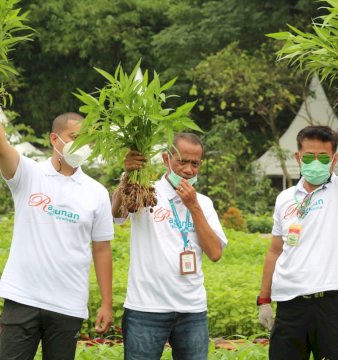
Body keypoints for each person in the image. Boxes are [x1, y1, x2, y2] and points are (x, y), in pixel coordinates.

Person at [256, 75, 338, 360]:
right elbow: (275, 250)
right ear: (298, 158)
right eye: (309, 157)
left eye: (323, 157)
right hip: (289, 305)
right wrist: (264, 298)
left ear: (334, 160)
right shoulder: (285, 198)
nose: (316, 162)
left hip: (332, 303)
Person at [0, 112, 114, 359]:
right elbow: (1, 146)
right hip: (23, 298)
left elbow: (102, 248)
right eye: (75, 137)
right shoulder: (28, 173)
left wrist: (106, 302)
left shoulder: (96, 192)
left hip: (68, 304)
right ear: (54, 138)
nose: (82, 145)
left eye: (87, 139)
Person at [112, 133, 227, 359]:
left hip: (192, 310)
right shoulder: (146, 192)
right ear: (166, 159)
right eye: (181, 161)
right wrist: (127, 177)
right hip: (146, 308)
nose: (188, 170)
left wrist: (193, 206)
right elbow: (116, 213)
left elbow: (215, 253)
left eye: (195, 164)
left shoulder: (203, 203)